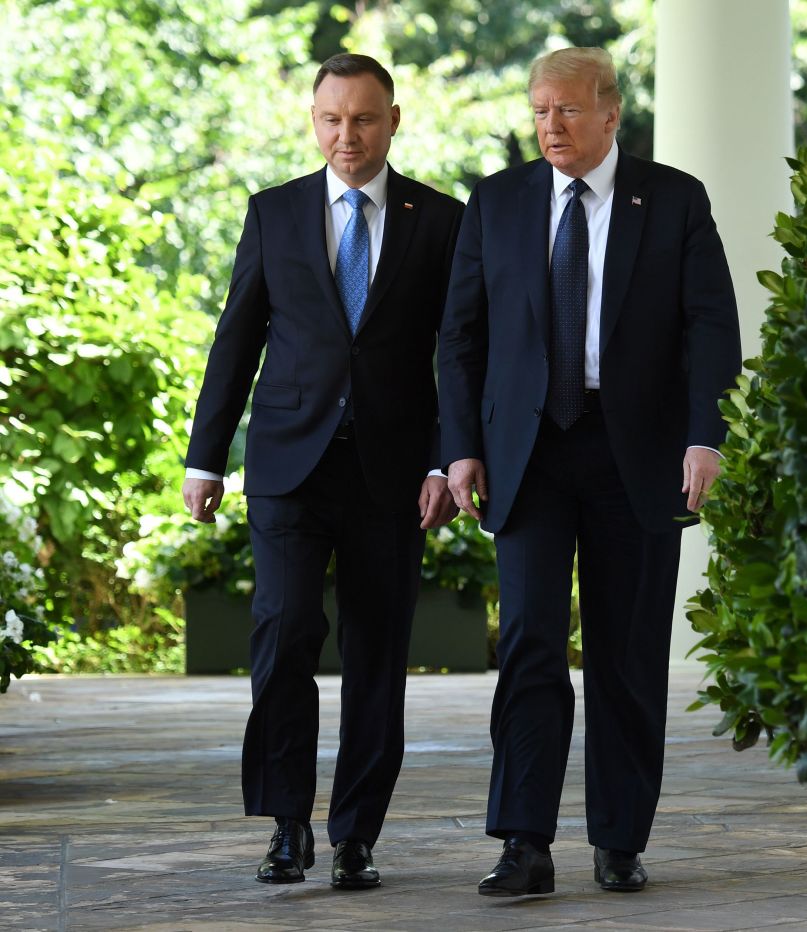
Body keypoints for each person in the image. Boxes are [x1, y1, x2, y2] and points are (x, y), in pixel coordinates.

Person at [437, 46, 741, 896]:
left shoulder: (674, 199)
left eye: (567, 110)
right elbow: (460, 336)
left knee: (628, 651)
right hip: (527, 456)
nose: (550, 125)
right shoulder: (496, 201)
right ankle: (523, 843)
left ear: (611, 114)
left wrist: (705, 436)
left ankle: (619, 840)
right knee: (531, 642)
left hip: (634, 449)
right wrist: (460, 446)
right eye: (539, 110)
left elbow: (711, 326)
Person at [182, 52, 462, 889]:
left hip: (393, 474)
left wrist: (448, 461)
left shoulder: (440, 221)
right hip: (287, 467)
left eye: (365, 119)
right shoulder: (273, 213)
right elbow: (236, 341)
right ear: (315, 121)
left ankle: (357, 837)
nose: (348, 136)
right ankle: (285, 824)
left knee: (377, 655)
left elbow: (460, 353)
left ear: (393, 120)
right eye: (333, 119)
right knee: (284, 630)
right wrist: (205, 457)